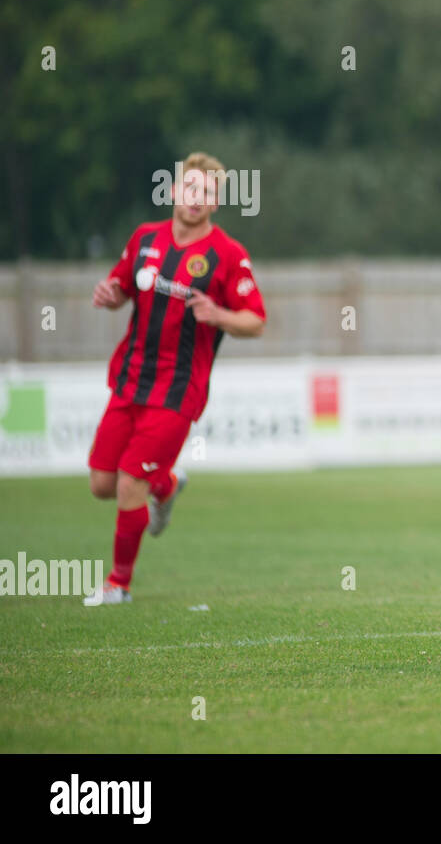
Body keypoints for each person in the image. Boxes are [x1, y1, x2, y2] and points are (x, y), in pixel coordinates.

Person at [85, 152, 266, 605]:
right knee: (102, 485)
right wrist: (109, 295)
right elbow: (121, 287)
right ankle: (166, 486)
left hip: (178, 390)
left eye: (206, 192)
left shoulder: (227, 254)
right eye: (189, 188)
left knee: (130, 484)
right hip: (129, 379)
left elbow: (256, 321)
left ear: (216, 202)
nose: (195, 198)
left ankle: (118, 586)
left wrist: (219, 313)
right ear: (172, 191)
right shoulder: (145, 238)